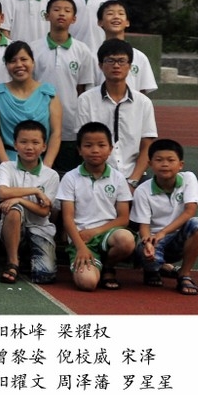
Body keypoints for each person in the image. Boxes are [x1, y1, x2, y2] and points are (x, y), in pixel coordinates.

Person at [57, 121, 135, 291]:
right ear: (79, 150)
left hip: (108, 234)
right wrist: (81, 247)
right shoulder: (70, 178)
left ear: (110, 149)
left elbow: (123, 218)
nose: (95, 150)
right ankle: (93, 264)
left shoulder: (118, 178)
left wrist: (94, 232)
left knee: (127, 240)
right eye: (88, 145)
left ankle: (108, 266)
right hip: (80, 238)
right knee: (88, 283)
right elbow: (67, 218)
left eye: (101, 145)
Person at [76, 39, 157, 184]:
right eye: (110, 61)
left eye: (121, 61)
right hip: (96, 175)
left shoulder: (143, 103)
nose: (116, 66)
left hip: (135, 175)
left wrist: (133, 181)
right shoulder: (86, 100)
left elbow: (147, 145)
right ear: (100, 65)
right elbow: (84, 143)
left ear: (130, 66)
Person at [31, 0, 96, 172]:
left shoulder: (82, 50)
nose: (61, 14)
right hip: (39, 122)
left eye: (67, 11)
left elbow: (83, 89)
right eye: (56, 9)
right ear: (47, 15)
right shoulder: (33, 48)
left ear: (74, 19)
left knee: (67, 174)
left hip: (70, 125)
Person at [133, 138, 198, 296]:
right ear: (150, 164)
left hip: (178, 238)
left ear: (180, 165)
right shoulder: (142, 190)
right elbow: (144, 226)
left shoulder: (188, 179)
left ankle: (184, 275)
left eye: (170, 160)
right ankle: (155, 269)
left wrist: (163, 232)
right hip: (155, 240)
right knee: (148, 256)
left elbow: (190, 211)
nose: (165, 164)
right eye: (159, 160)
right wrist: (147, 242)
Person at [0, 119, 61, 285]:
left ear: (44, 146)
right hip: (12, 227)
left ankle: (26, 257)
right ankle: (12, 262)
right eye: (23, 142)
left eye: (35, 142)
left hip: (40, 228)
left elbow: (44, 211)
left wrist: (19, 198)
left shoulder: (51, 175)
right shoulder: (6, 167)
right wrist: (35, 191)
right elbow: (2, 192)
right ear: (15, 145)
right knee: (14, 209)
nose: (29, 147)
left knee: (44, 275)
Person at [0, 41, 62, 167]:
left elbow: (56, 133)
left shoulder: (48, 94)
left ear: (33, 62)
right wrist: (7, 166)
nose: (19, 65)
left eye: (24, 59)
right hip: (7, 161)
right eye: (12, 61)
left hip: (42, 162)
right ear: (6, 65)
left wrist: (46, 167)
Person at [93, 0, 158, 93]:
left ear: (127, 22)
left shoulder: (139, 57)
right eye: (110, 13)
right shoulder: (92, 57)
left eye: (121, 13)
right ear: (100, 22)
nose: (116, 17)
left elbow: (142, 92)